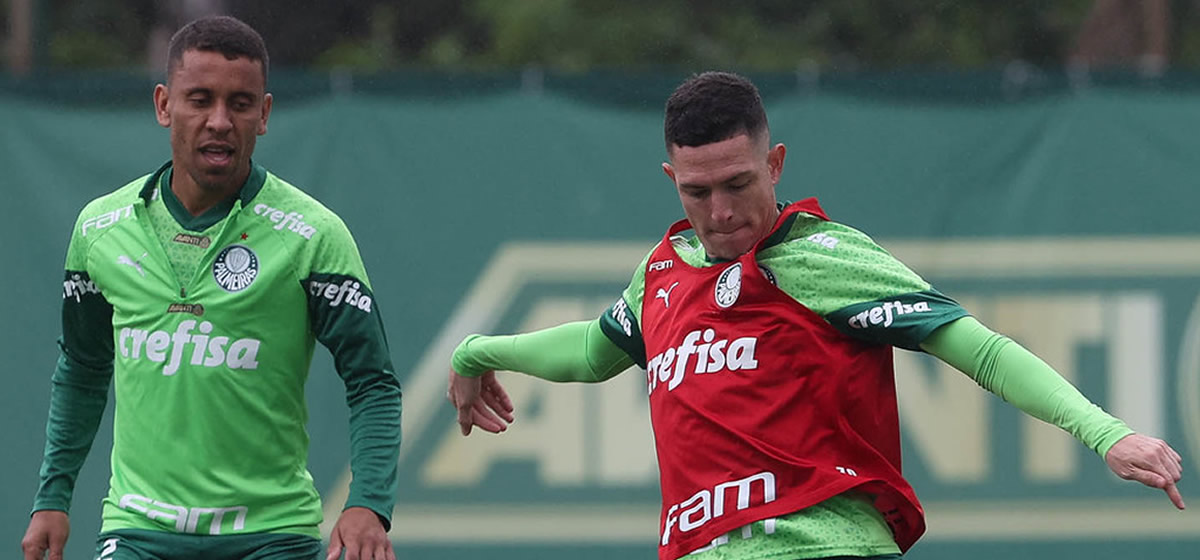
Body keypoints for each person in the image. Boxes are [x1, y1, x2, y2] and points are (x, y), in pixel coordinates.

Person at [446, 71, 1186, 560]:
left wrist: (1105, 433)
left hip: (821, 544)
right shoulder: (665, 272)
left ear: (775, 165)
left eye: (738, 183)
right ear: (673, 178)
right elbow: (591, 350)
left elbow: (980, 350)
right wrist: (478, 351)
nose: (721, 211)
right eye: (697, 192)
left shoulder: (825, 256)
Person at [20, 16, 400, 560]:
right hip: (138, 533)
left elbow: (373, 382)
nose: (219, 121)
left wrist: (368, 503)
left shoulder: (314, 235)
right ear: (163, 105)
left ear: (263, 115)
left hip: (272, 537)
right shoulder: (99, 230)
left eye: (240, 104)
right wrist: (52, 497)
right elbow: (82, 369)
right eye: (199, 99)